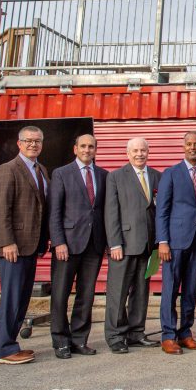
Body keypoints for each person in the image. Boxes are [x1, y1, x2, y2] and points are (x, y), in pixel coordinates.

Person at [0, 125, 50, 365]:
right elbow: (0, 209)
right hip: (14, 247)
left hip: (31, 245)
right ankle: (5, 349)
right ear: (19, 144)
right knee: (12, 298)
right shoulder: (8, 170)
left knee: (22, 298)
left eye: (37, 141)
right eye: (28, 141)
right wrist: (7, 242)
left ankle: (0, 347)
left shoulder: (41, 170)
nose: (33, 144)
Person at [48, 133, 109, 359]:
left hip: (93, 245)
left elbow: (104, 211)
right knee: (60, 294)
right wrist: (58, 242)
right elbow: (54, 212)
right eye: (83, 146)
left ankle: (79, 339)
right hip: (68, 244)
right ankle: (60, 341)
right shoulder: (61, 174)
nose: (87, 150)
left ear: (95, 150)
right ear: (75, 149)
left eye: (91, 147)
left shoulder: (103, 175)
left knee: (86, 294)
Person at [104, 137, 160, 353]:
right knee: (118, 293)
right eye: (135, 151)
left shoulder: (157, 176)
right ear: (128, 153)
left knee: (141, 291)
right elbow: (111, 212)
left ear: (148, 152)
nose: (140, 154)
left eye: (143, 150)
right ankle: (116, 336)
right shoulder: (116, 177)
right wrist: (114, 243)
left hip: (148, 246)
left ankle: (136, 333)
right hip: (124, 245)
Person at [155, 132, 196, 355]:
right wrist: (163, 241)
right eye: (189, 144)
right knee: (170, 289)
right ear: (183, 146)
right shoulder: (171, 173)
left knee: (190, 290)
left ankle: (185, 332)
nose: (193, 147)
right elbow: (162, 210)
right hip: (175, 241)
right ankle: (168, 335)